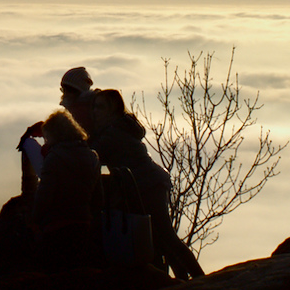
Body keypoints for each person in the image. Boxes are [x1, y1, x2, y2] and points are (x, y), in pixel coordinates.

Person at [83, 87, 204, 280]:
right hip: (148, 183)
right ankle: (186, 279)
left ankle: (199, 278)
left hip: (149, 185)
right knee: (161, 238)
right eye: (94, 107)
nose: (95, 112)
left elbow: (90, 153)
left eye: (100, 107)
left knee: (166, 236)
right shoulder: (117, 128)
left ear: (112, 110)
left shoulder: (112, 134)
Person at [31, 109, 101, 271]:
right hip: (83, 226)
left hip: (56, 227)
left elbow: (44, 196)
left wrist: (34, 220)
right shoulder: (93, 157)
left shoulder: (54, 158)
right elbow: (98, 198)